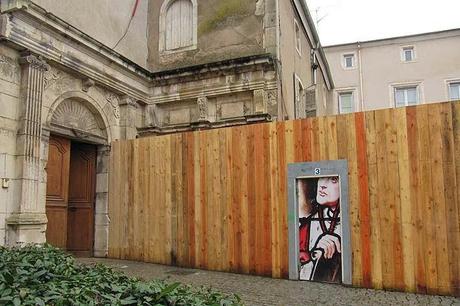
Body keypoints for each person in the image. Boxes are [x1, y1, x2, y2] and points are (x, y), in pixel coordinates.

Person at [298, 176, 342, 283]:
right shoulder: (307, 225)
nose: (322, 185)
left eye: (333, 180)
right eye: (322, 179)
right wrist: (314, 255)